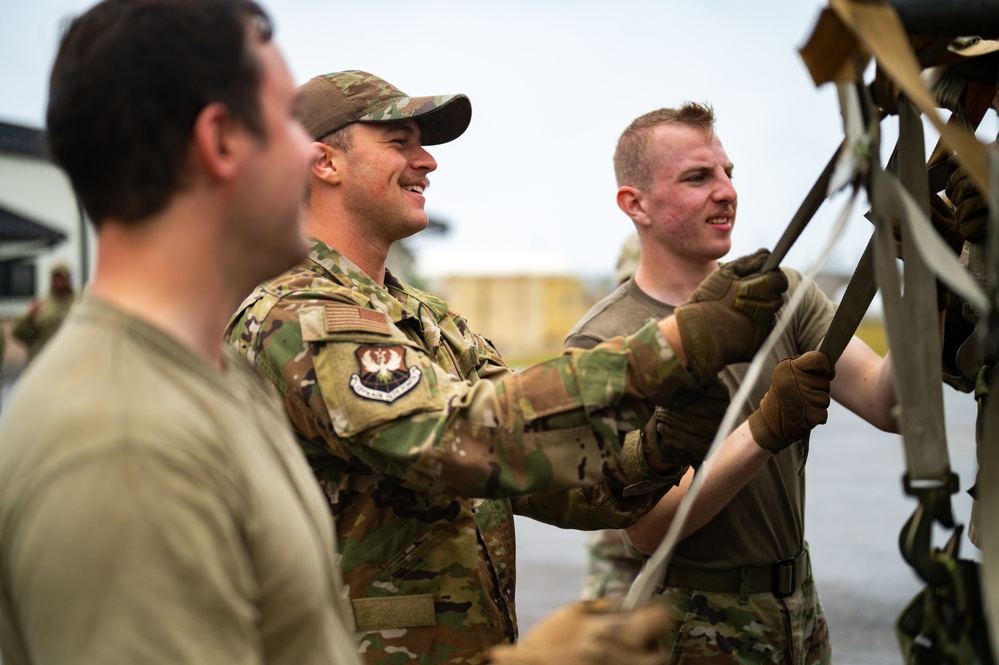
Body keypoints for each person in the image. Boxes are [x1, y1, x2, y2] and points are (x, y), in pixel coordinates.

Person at [226, 70, 791, 665]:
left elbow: (538, 458)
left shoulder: (424, 318)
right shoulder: (295, 312)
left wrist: (658, 448)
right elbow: (449, 433)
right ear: (324, 163)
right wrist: (675, 345)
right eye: (400, 141)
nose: (427, 161)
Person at [0, 1, 360, 663]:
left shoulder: (212, 368)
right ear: (219, 140)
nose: (310, 152)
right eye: (286, 120)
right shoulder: (123, 443)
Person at [564, 103, 898, 665]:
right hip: (696, 623)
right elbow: (647, 530)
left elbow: (887, 404)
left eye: (728, 173)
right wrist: (764, 429)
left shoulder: (784, 292)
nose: (726, 192)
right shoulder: (605, 341)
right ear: (634, 203)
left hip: (799, 609)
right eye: (698, 177)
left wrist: (943, 276)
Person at [11, 262, 76, 364]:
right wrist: (29, 318)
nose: (60, 282)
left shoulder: (79, 303)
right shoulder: (41, 304)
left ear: (69, 279)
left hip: (71, 360)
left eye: (63, 278)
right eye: (56, 278)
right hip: (44, 361)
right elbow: (18, 333)